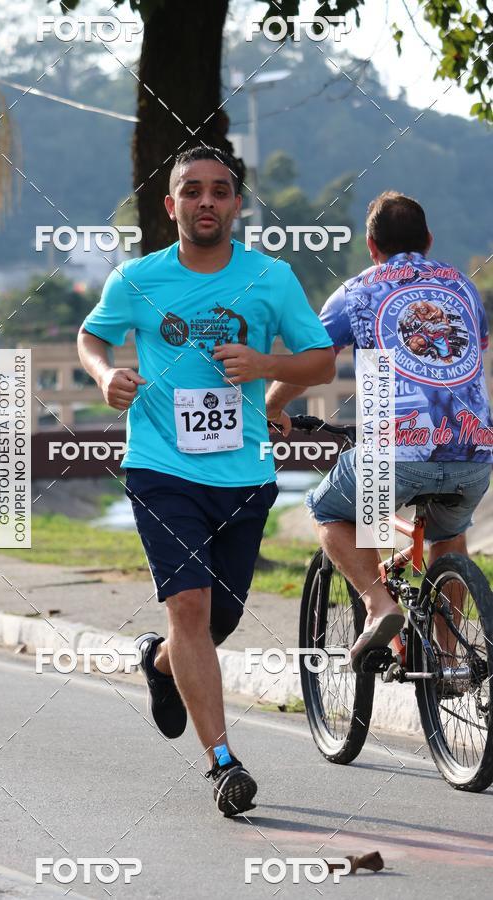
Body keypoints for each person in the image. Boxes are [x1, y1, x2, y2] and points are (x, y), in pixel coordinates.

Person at [77, 145, 335, 816]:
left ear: (237, 205)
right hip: (161, 467)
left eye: (219, 191)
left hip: (244, 474)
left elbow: (321, 363)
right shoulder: (137, 279)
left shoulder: (271, 279)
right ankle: (224, 763)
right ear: (172, 206)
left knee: (218, 620)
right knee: (188, 609)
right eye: (192, 191)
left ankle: (162, 663)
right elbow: (91, 338)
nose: (206, 202)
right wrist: (107, 377)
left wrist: (263, 362)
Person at [265, 191, 493, 670]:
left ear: (371, 246)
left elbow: (315, 359)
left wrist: (272, 407)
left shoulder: (356, 291)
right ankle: (447, 665)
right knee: (448, 539)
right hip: (475, 451)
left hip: (399, 450)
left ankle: (379, 605)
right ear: (428, 240)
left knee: (327, 509)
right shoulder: (464, 288)